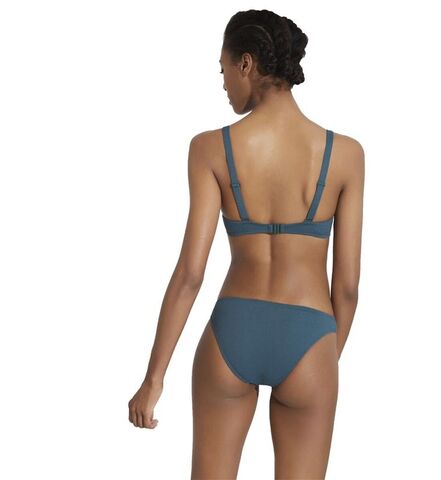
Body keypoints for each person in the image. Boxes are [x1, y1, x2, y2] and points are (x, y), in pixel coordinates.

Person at [128, 8, 364, 479]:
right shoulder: (346, 155)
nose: (222, 84)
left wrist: (153, 378)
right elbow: (348, 287)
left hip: (231, 334)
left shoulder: (209, 148)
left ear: (246, 64)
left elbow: (190, 274)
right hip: (311, 336)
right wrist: (319, 362)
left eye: (223, 70)